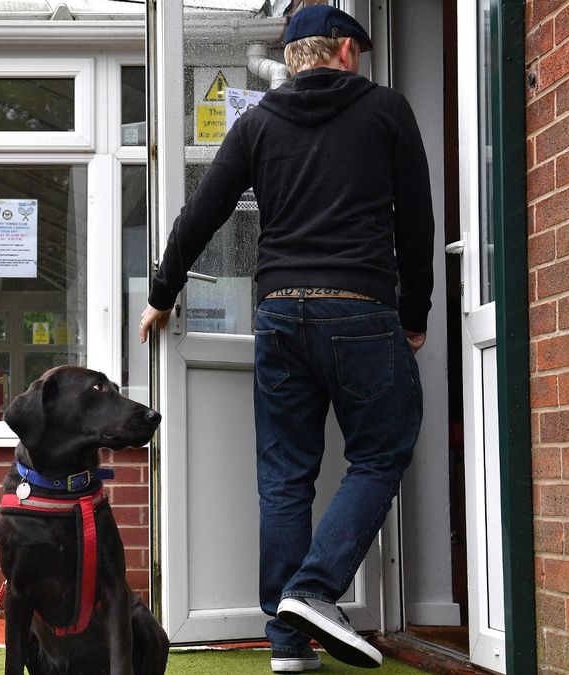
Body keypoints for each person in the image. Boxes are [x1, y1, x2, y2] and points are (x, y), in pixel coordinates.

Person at [137, 5, 433, 672]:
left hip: (280, 315)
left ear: (293, 58)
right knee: (383, 449)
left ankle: (287, 642)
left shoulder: (257, 123)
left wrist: (161, 293)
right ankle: (312, 587)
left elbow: (201, 211)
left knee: (285, 477)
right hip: (359, 308)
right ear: (347, 53)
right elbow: (416, 223)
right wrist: (415, 312)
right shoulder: (387, 112)